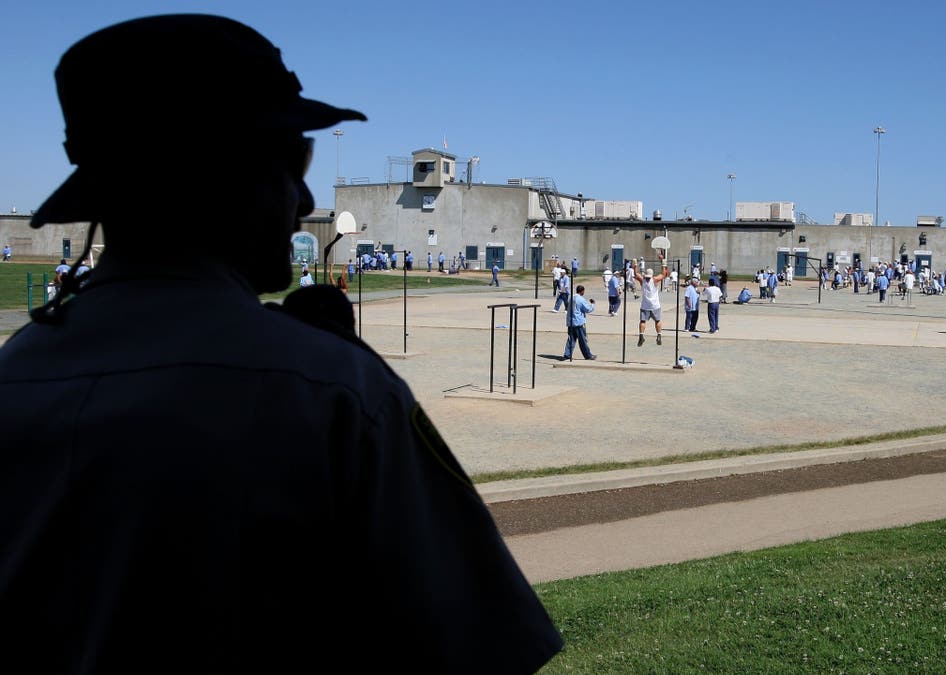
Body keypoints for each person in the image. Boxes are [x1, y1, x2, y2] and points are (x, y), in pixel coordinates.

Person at [0, 15, 561, 673]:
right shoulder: (330, 393)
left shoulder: (15, 378)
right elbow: (483, 646)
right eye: (292, 165)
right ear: (218, 174)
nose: (303, 200)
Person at [635, 253, 668, 346]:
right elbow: (663, 274)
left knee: (642, 321)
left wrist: (635, 266)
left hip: (645, 305)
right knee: (658, 320)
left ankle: (641, 335)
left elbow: (636, 274)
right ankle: (659, 334)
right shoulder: (655, 280)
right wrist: (663, 262)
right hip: (655, 305)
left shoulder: (643, 280)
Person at [562, 284, 596, 360]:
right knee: (583, 341)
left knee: (571, 339)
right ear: (582, 291)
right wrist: (593, 304)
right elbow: (588, 309)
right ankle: (588, 355)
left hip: (571, 322)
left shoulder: (572, 298)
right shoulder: (581, 299)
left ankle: (567, 354)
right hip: (578, 322)